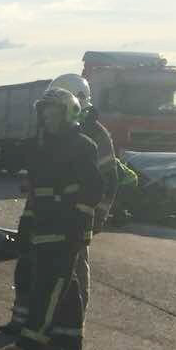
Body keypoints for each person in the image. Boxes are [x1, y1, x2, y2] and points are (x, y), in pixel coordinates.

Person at [3, 88, 103, 350]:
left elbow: (93, 190)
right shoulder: (42, 147)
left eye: (53, 112)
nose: (47, 118)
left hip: (68, 225)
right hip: (43, 223)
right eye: (44, 112)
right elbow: (36, 190)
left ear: (69, 113)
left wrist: (79, 223)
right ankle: (70, 337)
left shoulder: (84, 146)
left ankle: (30, 342)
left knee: (49, 285)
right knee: (63, 282)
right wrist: (27, 223)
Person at [49, 72, 118, 316]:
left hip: (79, 214)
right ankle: (46, 319)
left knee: (75, 268)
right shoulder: (54, 131)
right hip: (53, 215)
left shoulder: (95, 135)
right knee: (48, 268)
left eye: (57, 107)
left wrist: (97, 216)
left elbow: (108, 180)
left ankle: (74, 323)